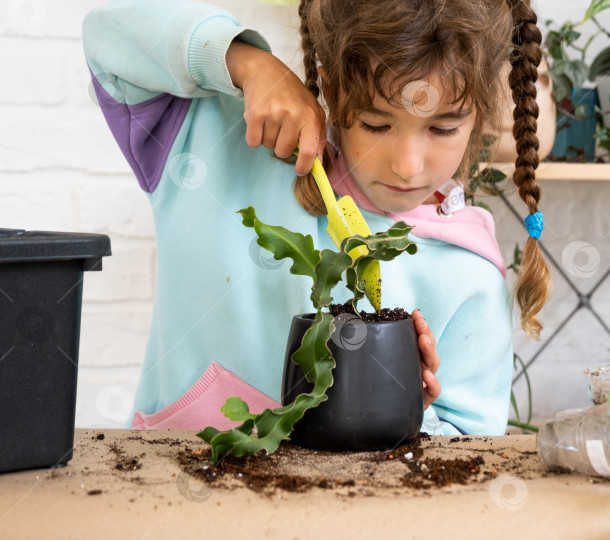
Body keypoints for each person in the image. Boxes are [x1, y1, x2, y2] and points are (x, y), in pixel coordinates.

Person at [82, 0, 551, 436]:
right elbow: (108, 35)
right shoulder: (212, 138)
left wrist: (407, 410)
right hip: (163, 502)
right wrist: (248, 62)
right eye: (376, 123)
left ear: (480, 112)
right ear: (330, 88)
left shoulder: (469, 272)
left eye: (444, 128)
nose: (408, 165)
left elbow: (468, 441)